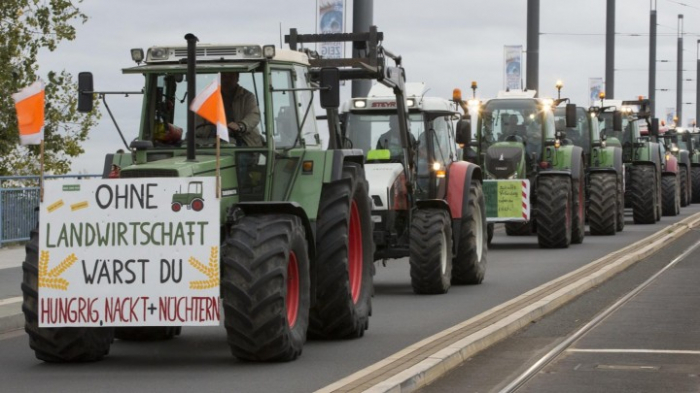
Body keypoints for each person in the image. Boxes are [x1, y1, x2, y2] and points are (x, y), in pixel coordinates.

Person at [220, 72, 263, 147]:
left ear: (237, 78)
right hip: (217, 141)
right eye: (224, 76)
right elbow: (200, 119)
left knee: (242, 157)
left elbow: (254, 115)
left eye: (230, 76)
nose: (227, 80)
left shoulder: (247, 97)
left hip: (245, 141)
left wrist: (241, 126)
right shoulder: (212, 98)